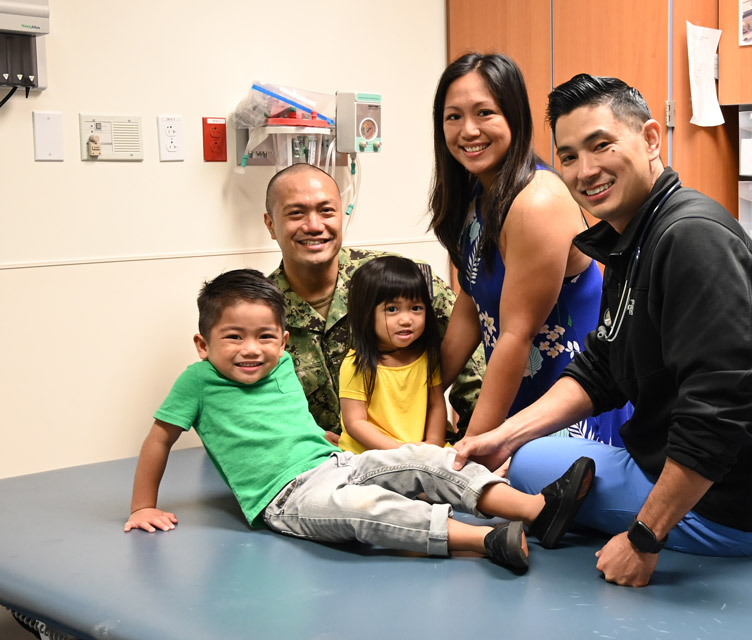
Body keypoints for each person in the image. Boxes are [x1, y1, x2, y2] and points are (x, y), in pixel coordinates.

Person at [453, 74, 752, 587]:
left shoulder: (691, 239)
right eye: (567, 157)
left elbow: (720, 411)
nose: (586, 171)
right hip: (714, 479)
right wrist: (502, 435)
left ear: (651, 139)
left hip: (738, 508)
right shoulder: (634, 237)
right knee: (525, 454)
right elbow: (602, 366)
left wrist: (643, 539)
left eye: (601, 145)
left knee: (529, 471)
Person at [123, 269, 597, 575]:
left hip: (335, 460)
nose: (251, 349)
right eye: (233, 337)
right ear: (203, 345)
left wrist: (321, 438)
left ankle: (536, 510)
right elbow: (158, 441)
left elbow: (284, 418)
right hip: (286, 497)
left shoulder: (281, 364)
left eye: (265, 336)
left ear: (284, 340)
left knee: (424, 457)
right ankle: (486, 538)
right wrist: (143, 505)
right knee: (367, 509)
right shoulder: (198, 382)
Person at [429, 52, 631, 445]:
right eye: (454, 116)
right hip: (515, 394)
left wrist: (468, 449)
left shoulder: (536, 201)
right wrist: (426, 389)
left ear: (514, 116)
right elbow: (472, 305)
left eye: (484, 113)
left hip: (571, 405)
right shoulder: (477, 195)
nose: (468, 130)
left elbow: (515, 336)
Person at [263, 163, 485, 442]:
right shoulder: (259, 312)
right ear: (270, 224)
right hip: (318, 467)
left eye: (326, 211)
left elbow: (476, 380)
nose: (314, 225)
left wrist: (473, 450)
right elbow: (251, 407)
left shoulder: (402, 281)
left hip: (423, 455)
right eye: (296, 213)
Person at [338, 256, 446, 453]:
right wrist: (401, 451)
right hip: (370, 456)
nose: (406, 319)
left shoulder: (426, 356)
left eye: (416, 308)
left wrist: (434, 445)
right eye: (392, 309)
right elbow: (355, 422)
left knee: (468, 469)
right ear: (367, 314)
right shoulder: (356, 363)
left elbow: (436, 405)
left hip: (420, 453)